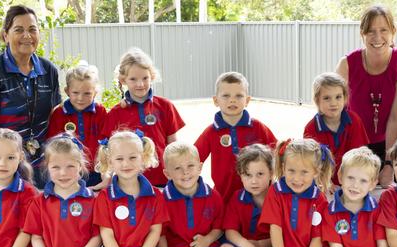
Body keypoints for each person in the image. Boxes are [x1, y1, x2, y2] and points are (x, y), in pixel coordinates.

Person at [0, 5, 61, 189]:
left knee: (40, 213)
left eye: (32, 29)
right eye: (18, 30)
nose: (27, 36)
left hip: (39, 158)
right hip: (1, 160)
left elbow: (55, 117)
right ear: (6, 35)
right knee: (7, 214)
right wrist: (1, 163)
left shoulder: (48, 70)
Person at [336, 4, 397, 187]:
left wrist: (389, 163)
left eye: (384, 30)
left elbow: (396, 117)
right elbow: (335, 113)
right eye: (370, 31)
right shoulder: (347, 64)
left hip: (387, 145)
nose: (377, 37)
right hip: (352, 144)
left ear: (393, 32)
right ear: (362, 34)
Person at [102, 47, 185, 187]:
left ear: (152, 76)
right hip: (129, 184)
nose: (140, 84)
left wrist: (178, 173)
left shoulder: (165, 106)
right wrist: (106, 180)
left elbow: (173, 145)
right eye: (133, 79)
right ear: (123, 80)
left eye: (145, 78)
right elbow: (106, 150)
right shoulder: (116, 113)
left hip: (164, 180)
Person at [195, 71, 277, 204]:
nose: (232, 100)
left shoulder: (258, 127)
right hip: (224, 196)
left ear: (247, 100)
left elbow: (279, 154)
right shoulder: (211, 132)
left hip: (257, 196)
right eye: (226, 96)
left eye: (239, 96)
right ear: (216, 100)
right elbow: (193, 158)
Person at [47, 62, 107, 189]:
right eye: (75, 93)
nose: (81, 98)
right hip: (68, 172)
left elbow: (106, 141)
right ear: (67, 91)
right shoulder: (59, 113)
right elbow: (53, 145)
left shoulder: (100, 111)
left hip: (96, 171)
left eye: (87, 93)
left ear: (95, 93)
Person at [304, 72, 369, 188]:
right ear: (317, 100)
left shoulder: (354, 120)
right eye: (327, 98)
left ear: (345, 98)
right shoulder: (311, 128)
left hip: (353, 180)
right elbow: (311, 163)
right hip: (324, 183)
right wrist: (325, 182)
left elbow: (361, 156)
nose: (333, 103)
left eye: (338, 97)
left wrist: (350, 182)